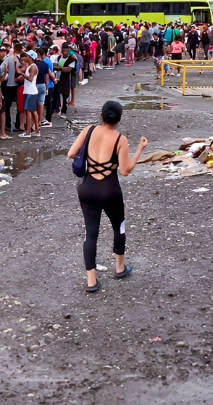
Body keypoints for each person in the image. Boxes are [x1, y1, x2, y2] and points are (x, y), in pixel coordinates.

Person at [67, 100, 148, 293]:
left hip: (87, 189)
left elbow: (71, 153)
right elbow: (126, 170)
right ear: (119, 119)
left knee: (91, 233)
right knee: (118, 226)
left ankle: (91, 281)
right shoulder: (120, 140)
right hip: (110, 190)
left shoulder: (89, 130)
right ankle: (119, 267)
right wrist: (140, 149)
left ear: (102, 115)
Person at [19, 52, 39, 138]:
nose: (25, 58)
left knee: (28, 111)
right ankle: (36, 130)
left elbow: (30, 79)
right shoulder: (30, 66)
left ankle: (28, 132)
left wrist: (22, 74)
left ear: (30, 57)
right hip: (30, 91)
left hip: (30, 92)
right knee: (33, 111)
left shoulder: (33, 67)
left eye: (27, 56)